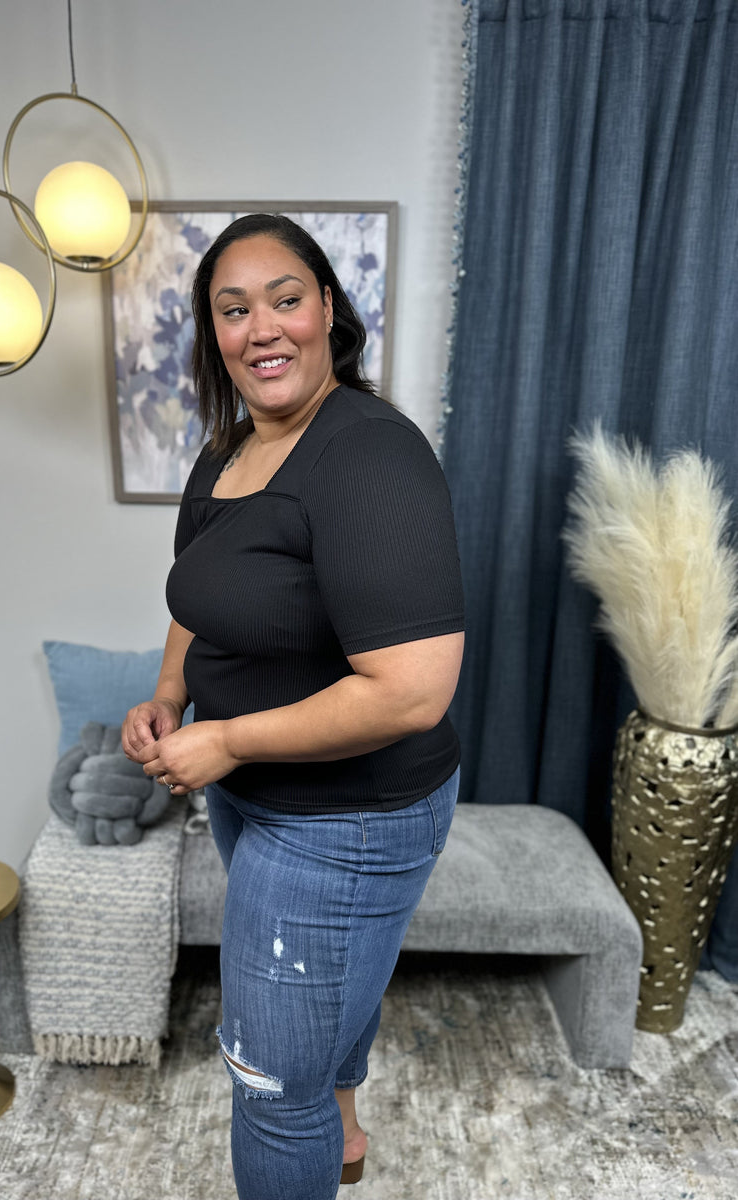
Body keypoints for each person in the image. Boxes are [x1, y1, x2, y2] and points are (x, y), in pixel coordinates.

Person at [122, 213, 464, 1200]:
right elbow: (199, 596)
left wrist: (227, 739)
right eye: (233, 310)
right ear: (213, 333)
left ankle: (317, 1124)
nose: (261, 327)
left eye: (284, 300)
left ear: (328, 310)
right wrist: (170, 696)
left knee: (272, 1083)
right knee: (324, 1006)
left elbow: (413, 690)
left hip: (346, 818)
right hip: (255, 799)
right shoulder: (227, 453)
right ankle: (343, 1135)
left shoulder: (370, 456)